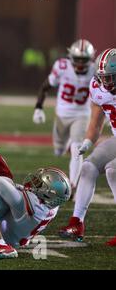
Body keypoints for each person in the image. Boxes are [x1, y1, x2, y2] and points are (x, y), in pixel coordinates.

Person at [58, 48, 116, 246]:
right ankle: (76, 223)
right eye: (103, 77)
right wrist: (88, 142)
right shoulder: (98, 87)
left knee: (112, 170)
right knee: (88, 167)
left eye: (110, 78)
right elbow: (96, 122)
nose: (105, 83)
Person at [33, 39, 96, 189]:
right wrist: (38, 107)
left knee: (77, 148)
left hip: (82, 114)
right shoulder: (62, 66)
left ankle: (74, 184)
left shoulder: (95, 70)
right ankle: (66, 144)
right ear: (71, 58)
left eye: (84, 60)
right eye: (78, 59)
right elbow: (46, 86)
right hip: (62, 113)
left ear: (90, 59)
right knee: (59, 150)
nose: (80, 64)